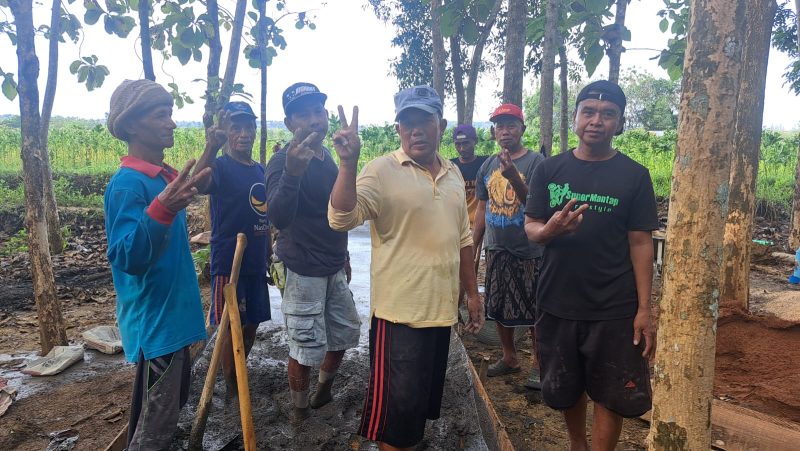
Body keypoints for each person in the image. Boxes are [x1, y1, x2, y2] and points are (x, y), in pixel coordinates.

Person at [328, 85, 485, 451]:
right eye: (407, 123)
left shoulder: (453, 176)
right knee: (395, 426)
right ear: (398, 129)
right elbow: (340, 218)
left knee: (416, 415)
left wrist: (472, 293)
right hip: (399, 321)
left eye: (424, 121)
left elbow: (463, 238)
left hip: (441, 316)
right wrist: (347, 163)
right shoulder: (380, 171)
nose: (416, 130)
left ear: (440, 125)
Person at [524, 80, 658, 451]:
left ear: (619, 122)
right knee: (566, 385)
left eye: (608, 114)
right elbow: (531, 226)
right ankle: (577, 445)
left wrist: (644, 309)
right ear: (576, 117)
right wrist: (548, 230)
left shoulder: (634, 176)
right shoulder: (549, 170)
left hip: (614, 305)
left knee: (610, 390)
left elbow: (641, 242)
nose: (596, 121)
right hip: (557, 300)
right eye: (589, 112)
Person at [103, 79, 210, 448]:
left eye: (171, 114)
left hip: (173, 320)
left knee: (164, 411)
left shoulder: (161, 178)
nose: (172, 123)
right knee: (156, 428)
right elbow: (127, 256)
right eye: (161, 114)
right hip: (156, 325)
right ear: (132, 125)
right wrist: (162, 207)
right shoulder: (127, 185)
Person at [265, 82, 361, 422]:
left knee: (343, 334)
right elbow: (277, 217)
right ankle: (300, 410)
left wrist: (345, 256)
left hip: (333, 265)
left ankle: (323, 392)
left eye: (318, 111)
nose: (314, 120)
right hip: (302, 267)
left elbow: (337, 213)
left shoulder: (330, 161)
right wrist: (292, 173)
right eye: (303, 114)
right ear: (290, 124)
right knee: (305, 348)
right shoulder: (281, 161)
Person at [194, 101, 272, 400]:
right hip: (229, 263)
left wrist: (268, 253)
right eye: (235, 127)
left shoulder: (260, 170)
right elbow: (198, 184)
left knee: (251, 326)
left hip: (254, 262)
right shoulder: (221, 167)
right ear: (226, 132)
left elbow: (263, 216)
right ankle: (230, 386)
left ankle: (238, 370)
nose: (244, 133)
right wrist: (210, 148)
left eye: (248, 126)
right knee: (229, 326)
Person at [472, 103, 544, 389]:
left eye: (511, 125)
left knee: (535, 309)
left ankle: (539, 364)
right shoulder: (487, 166)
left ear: (522, 129)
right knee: (499, 305)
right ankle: (510, 357)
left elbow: (537, 205)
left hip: (529, 251)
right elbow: (481, 208)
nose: (505, 131)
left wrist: (514, 175)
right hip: (497, 249)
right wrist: (475, 244)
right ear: (493, 132)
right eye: (500, 126)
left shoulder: (536, 162)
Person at [450, 124, 488, 227]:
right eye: (458, 144)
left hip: (480, 224)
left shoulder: (485, 164)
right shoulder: (450, 166)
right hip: (458, 225)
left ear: (475, 141)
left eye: (466, 143)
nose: (462, 148)